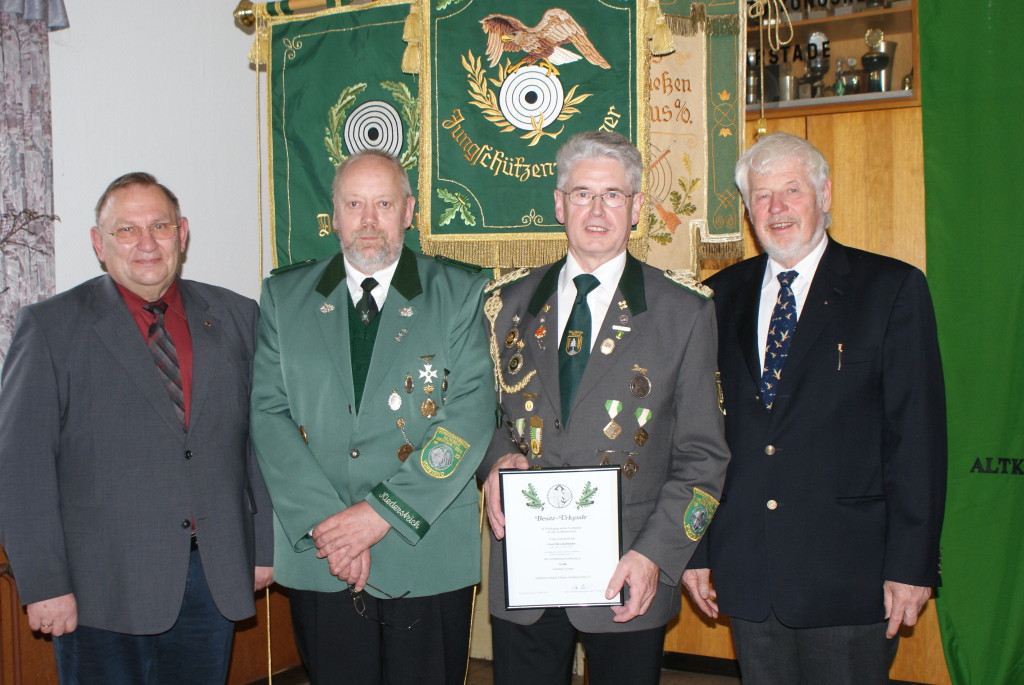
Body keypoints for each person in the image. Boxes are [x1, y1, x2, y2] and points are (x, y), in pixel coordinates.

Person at [683, 132, 947, 684]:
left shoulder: (891, 289)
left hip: (852, 575)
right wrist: (698, 548)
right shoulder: (715, 298)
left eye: (791, 190)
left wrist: (911, 566)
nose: (776, 208)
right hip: (751, 569)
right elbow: (697, 438)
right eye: (761, 195)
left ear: (825, 195)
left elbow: (917, 441)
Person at [0, 172, 274, 683]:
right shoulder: (51, 327)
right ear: (98, 243)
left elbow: (257, 444)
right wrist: (43, 584)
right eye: (126, 230)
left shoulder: (237, 316)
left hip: (210, 580)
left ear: (183, 233)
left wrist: (261, 547)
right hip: (99, 588)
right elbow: (21, 469)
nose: (146, 243)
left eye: (160, 226)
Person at [479, 130, 730, 685]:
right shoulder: (507, 304)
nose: (596, 209)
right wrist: (496, 461)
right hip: (528, 572)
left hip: (628, 570)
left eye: (612, 195)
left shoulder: (682, 311)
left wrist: (657, 556)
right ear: (559, 203)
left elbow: (704, 458)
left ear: (637, 206)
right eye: (583, 193)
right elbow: (489, 417)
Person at [249, 150, 495, 685]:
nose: (367, 220)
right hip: (323, 553)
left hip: (423, 552)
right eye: (353, 204)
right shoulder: (284, 297)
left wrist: (382, 514)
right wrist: (330, 527)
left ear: (408, 211)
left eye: (382, 203)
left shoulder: (458, 293)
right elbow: (269, 415)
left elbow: (469, 417)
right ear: (333, 214)